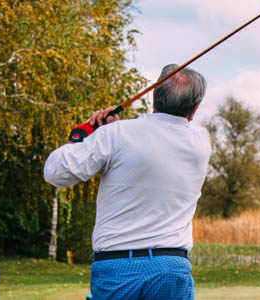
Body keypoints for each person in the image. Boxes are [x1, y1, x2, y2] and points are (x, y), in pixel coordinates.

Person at [44, 64, 210, 300]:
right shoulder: (202, 144)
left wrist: (84, 136)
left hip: (117, 268)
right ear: (193, 111)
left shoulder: (115, 135)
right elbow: (148, 148)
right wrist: (109, 135)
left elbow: (55, 172)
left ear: (154, 97)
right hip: (172, 267)